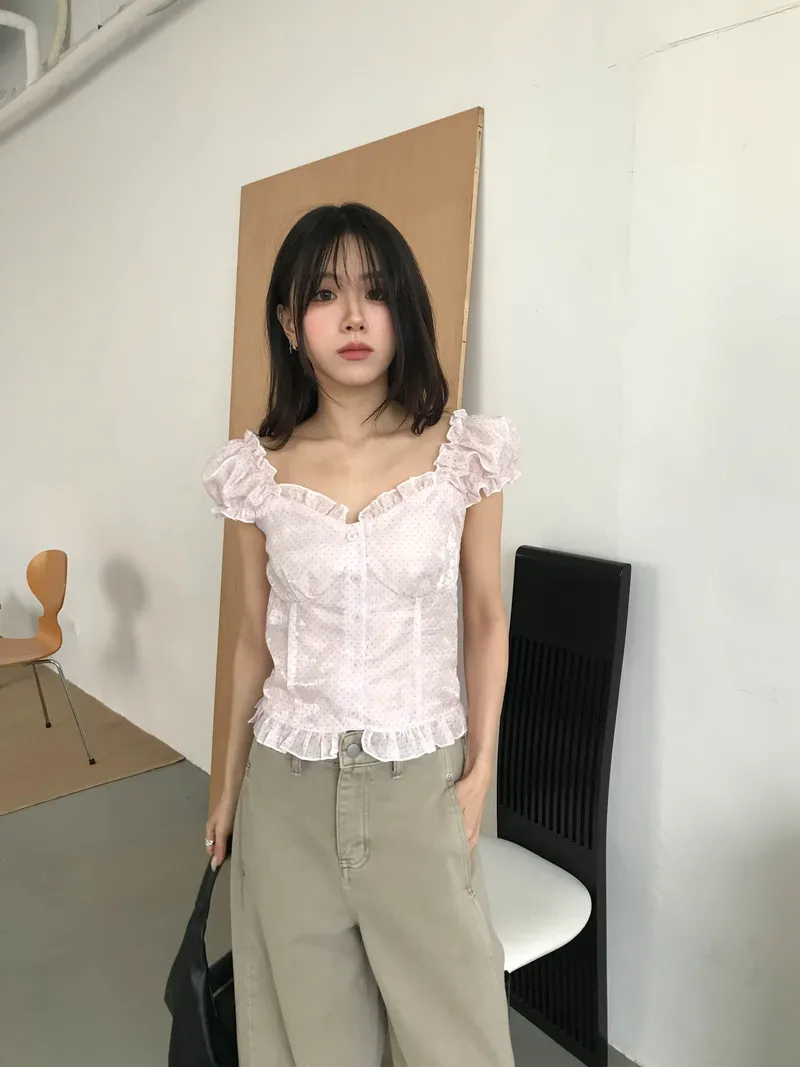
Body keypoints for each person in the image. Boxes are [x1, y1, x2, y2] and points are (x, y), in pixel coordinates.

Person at [203, 202, 520, 1067]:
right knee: (313, 1041)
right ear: (288, 322)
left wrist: (480, 768)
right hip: (287, 787)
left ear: (402, 308)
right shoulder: (256, 471)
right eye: (324, 295)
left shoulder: (463, 454)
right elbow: (251, 641)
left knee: (457, 1038)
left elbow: (486, 615)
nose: (352, 317)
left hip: (419, 781)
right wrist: (227, 788)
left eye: (374, 292)